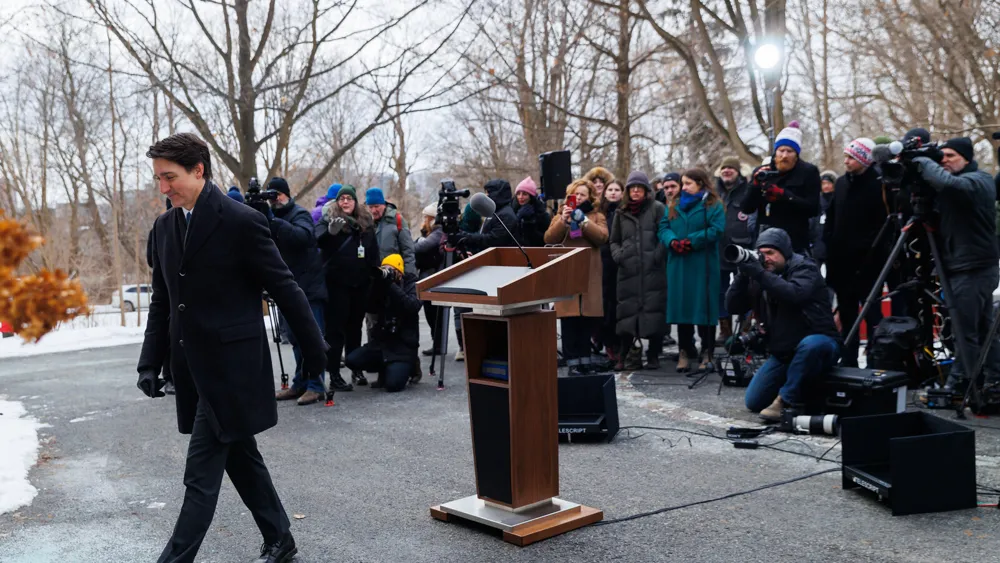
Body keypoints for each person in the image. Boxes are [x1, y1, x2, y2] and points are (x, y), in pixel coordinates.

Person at [137, 133, 325, 563]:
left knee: (199, 475)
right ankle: (281, 538)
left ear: (198, 170)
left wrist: (315, 352)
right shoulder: (165, 227)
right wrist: (150, 362)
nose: (163, 188)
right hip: (192, 368)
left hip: (233, 370)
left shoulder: (241, 221)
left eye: (170, 178)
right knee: (240, 455)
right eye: (158, 179)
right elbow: (163, 301)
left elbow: (285, 286)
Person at [912, 136, 1000, 391]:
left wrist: (921, 161)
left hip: (974, 267)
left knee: (965, 331)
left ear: (968, 158)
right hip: (963, 266)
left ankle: (959, 383)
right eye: (942, 157)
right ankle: (993, 380)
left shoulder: (979, 181)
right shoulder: (955, 184)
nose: (945, 161)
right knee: (982, 329)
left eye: (951, 156)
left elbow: (947, 183)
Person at [727, 228, 841, 420]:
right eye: (761, 254)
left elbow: (793, 294)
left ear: (785, 252)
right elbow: (732, 306)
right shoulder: (760, 274)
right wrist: (743, 274)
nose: (766, 259)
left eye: (771, 253)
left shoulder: (805, 268)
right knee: (754, 402)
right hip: (785, 352)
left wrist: (759, 273)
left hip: (821, 343)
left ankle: (785, 400)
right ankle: (798, 387)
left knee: (811, 345)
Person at [263, 177, 329, 405]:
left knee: (312, 338)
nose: (275, 201)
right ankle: (300, 383)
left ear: (286, 194)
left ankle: (316, 385)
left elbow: (304, 237)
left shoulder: (299, 214)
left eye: (277, 195)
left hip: (309, 289)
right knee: (294, 339)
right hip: (287, 290)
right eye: (271, 197)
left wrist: (274, 221)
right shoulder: (271, 219)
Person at [823, 138, 887, 368]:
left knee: (871, 313)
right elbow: (831, 218)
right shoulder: (841, 183)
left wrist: (870, 252)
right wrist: (829, 243)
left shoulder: (878, 184)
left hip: (868, 262)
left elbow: (882, 224)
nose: (846, 161)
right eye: (846, 156)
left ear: (863, 159)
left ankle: (874, 357)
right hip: (841, 262)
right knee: (847, 312)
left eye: (851, 157)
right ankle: (848, 356)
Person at [658, 168, 726, 373]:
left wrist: (693, 241)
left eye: (688, 183)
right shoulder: (673, 204)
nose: (683, 187)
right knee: (682, 308)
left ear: (701, 183)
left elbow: (717, 229)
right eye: (683, 183)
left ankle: (708, 350)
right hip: (679, 263)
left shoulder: (713, 205)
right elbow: (663, 228)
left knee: (703, 307)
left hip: (702, 262)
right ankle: (684, 350)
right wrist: (672, 241)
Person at [314, 185, 380, 392]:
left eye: (349, 199)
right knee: (335, 331)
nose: (345, 202)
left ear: (355, 202)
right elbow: (318, 241)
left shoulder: (365, 225)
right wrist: (330, 234)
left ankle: (355, 368)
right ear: (337, 202)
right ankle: (333, 373)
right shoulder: (329, 221)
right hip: (336, 285)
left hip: (360, 285)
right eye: (341, 199)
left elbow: (373, 255)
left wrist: (374, 277)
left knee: (355, 328)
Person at [544, 179, 609, 375]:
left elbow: (602, 238)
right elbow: (549, 238)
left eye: (582, 194)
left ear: (590, 196)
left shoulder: (597, 216)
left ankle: (586, 361)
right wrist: (563, 222)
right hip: (568, 273)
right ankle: (573, 363)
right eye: (575, 194)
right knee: (569, 320)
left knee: (586, 321)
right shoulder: (559, 215)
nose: (579, 198)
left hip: (589, 273)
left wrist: (584, 221)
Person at [610, 171, 667, 370]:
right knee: (627, 312)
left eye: (639, 187)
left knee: (654, 311)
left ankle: (653, 354)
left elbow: (664, 235)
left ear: (645, 190)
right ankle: (623, 355)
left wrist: (657, 256)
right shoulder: (621, 212)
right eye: (632, 188)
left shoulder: (658, 208)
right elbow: (614, 240)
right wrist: (619, 256)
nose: (635, 191)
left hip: (653, 269)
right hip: (628, 270)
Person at [742, 121, 821, 253]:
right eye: (781, 150)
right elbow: (746, 208)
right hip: (766, 239)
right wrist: (755, 186)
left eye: (789, 151)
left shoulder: (808, 172)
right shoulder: (763, 172)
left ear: (796, 154)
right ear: (775, 152)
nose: (784, 156)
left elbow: (813, 209)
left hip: (794, 240)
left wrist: (784, 195)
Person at [345, 254, 422, 391]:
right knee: (352, 360)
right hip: (382, 344)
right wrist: (376, 285)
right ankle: (385, 369)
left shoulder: (411, 284)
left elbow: (412, 306)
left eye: (391, 271)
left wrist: (391, 285)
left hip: (403, 346)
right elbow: (369, 307)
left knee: (393, 386)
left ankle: (411, 366)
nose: (388, 274)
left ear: (399, 272)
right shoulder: (381, 286)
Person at [717, 156, 754, 342]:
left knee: (745, 289)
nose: (727, 171)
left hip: (743, 248)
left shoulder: (747, 190)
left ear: (738, 171)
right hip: (720, 249)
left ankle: (745, 330)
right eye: (724, 168)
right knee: (720, 291)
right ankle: (725, 330)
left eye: (731, 168)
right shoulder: (714, 192)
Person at [452, 179, 522, 251]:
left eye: (488, 193)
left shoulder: (506, 215)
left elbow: (492, 240)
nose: (486, 196)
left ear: (497, 194)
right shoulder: (495, 212)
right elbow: (483, 234)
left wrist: (465, 237)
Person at [598, 179, 624, 365]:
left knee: (619, 306)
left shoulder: (625, 211)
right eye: (610, 189)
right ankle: (607, 344)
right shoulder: (599, 212)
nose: (613, 193)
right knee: (605, 306)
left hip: (622, 263)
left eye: (617, 190)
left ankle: (621, 346)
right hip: (603, 263)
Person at [415, 202, 446, 356]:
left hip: (433, 276)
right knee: (431, 313)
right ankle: (437, 343)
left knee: (434, 314)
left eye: (426, 217)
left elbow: (421, 247)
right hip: (429, 275)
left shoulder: (438, 232)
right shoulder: (432, 233)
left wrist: (416, 242)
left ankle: (439, 344)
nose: (423, 220)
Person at [365, 187, 416, 275]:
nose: (373, 210)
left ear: (383, 205)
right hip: (373, 276)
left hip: (394, 275)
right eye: (370, 207)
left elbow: (408, 250)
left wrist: (409, 275)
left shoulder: (397, 220)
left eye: (376, 206)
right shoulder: (365, 223)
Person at [512, 176, 550, 247]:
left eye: (524, 194)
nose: (520, 197)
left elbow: (545, 239)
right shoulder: (512, 210)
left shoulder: (542, 214)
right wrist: (518, 218)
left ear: (531, 196)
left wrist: (529, 224)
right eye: (518, 194)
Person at [810, 170, 837, 268]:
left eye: (828, 183)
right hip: (817, 243)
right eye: (823, 184)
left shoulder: (838, 200)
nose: (826, 186)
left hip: (833, 244)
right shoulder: (817, 201)